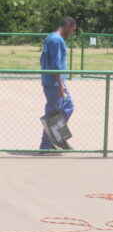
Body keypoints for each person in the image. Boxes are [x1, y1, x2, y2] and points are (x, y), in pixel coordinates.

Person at [39, 17, 77, 152]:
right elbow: (55, 65)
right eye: (72, 30)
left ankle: (56, 138)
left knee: (64, 108)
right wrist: (60, 85)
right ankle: (48, 143)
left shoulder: (51, 37)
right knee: (55, 112)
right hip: (54, 83)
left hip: (54, 81)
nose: (72, 33)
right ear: (68, 26)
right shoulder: (56, 40)